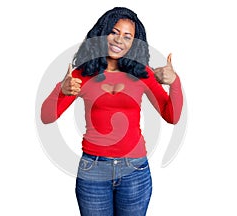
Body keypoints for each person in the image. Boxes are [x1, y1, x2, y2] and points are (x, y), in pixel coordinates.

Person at [41, 7, 183, 216]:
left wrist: (175, 82)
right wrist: (60, 90)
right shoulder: (83, 73)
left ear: (135, 43)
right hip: (93, 171)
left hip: (135, 171)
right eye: (114, 32)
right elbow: (47, 117)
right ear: (102, 33)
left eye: (127, 36)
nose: (119, 40)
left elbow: (172, 116)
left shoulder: (142, 74)